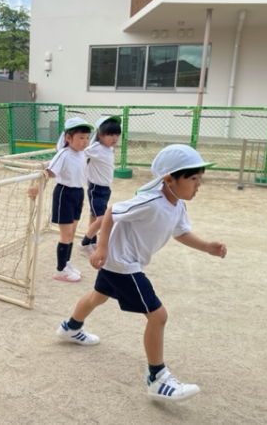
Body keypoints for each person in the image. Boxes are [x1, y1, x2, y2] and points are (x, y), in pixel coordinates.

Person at [56, 144, 227, 402]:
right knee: (158, 316)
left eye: (199, 179)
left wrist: (207, 247)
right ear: (169, 179)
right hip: (122, 264)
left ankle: (70, 328)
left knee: (97, 296)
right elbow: (113, 210)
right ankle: (157, 379)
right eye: (193, 179)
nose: (198, 185)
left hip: (123, 260)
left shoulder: (177, 203)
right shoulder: (152, 201)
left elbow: (180, 232)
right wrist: (100, 246)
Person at [28, 117, 94, 282]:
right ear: (68, 138)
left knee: (71, 233)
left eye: (87, 137)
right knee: (66, 235)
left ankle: (67, 263)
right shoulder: (63, 154)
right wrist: (36, 187)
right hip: (64, 194)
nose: (85, 142)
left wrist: (81, 197)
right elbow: (47, 173)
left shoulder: (81, 154)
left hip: (78, 193)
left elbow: (79, 175)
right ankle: (60, 270)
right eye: (81, 138)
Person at [79, 115, 122, 258]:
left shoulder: (108, 148)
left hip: (105, 189)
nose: (114, 138)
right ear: (100, 134)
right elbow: (81, 152)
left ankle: (92, 241)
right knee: (102, 219)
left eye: (116, 134)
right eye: (110, 134)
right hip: (96, 189)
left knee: (94, 216)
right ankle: (85, 242)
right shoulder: (96, 147)